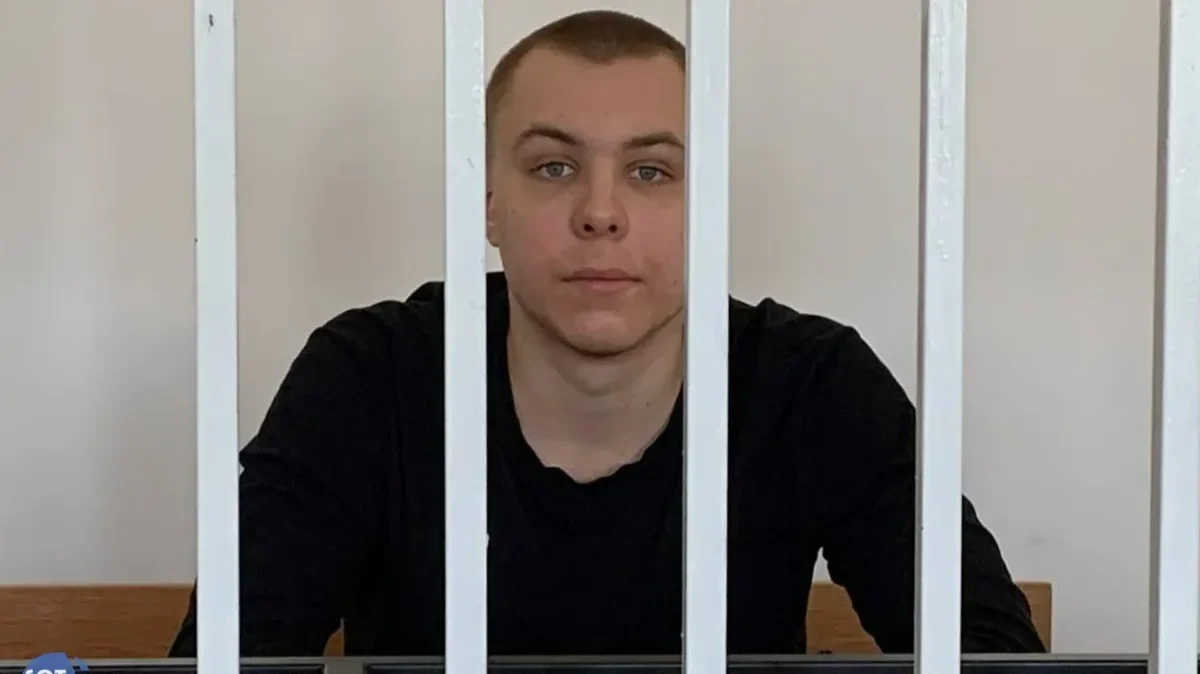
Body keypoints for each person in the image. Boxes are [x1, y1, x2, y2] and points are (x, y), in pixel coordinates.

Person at [169, 9, 1044, 657]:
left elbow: (988, 652)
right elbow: (225, 655)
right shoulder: (371, 377)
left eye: (651, 171)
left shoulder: (811, 385)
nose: (600, 212)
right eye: (553, 166)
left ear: (709, 204)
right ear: (488, 204)